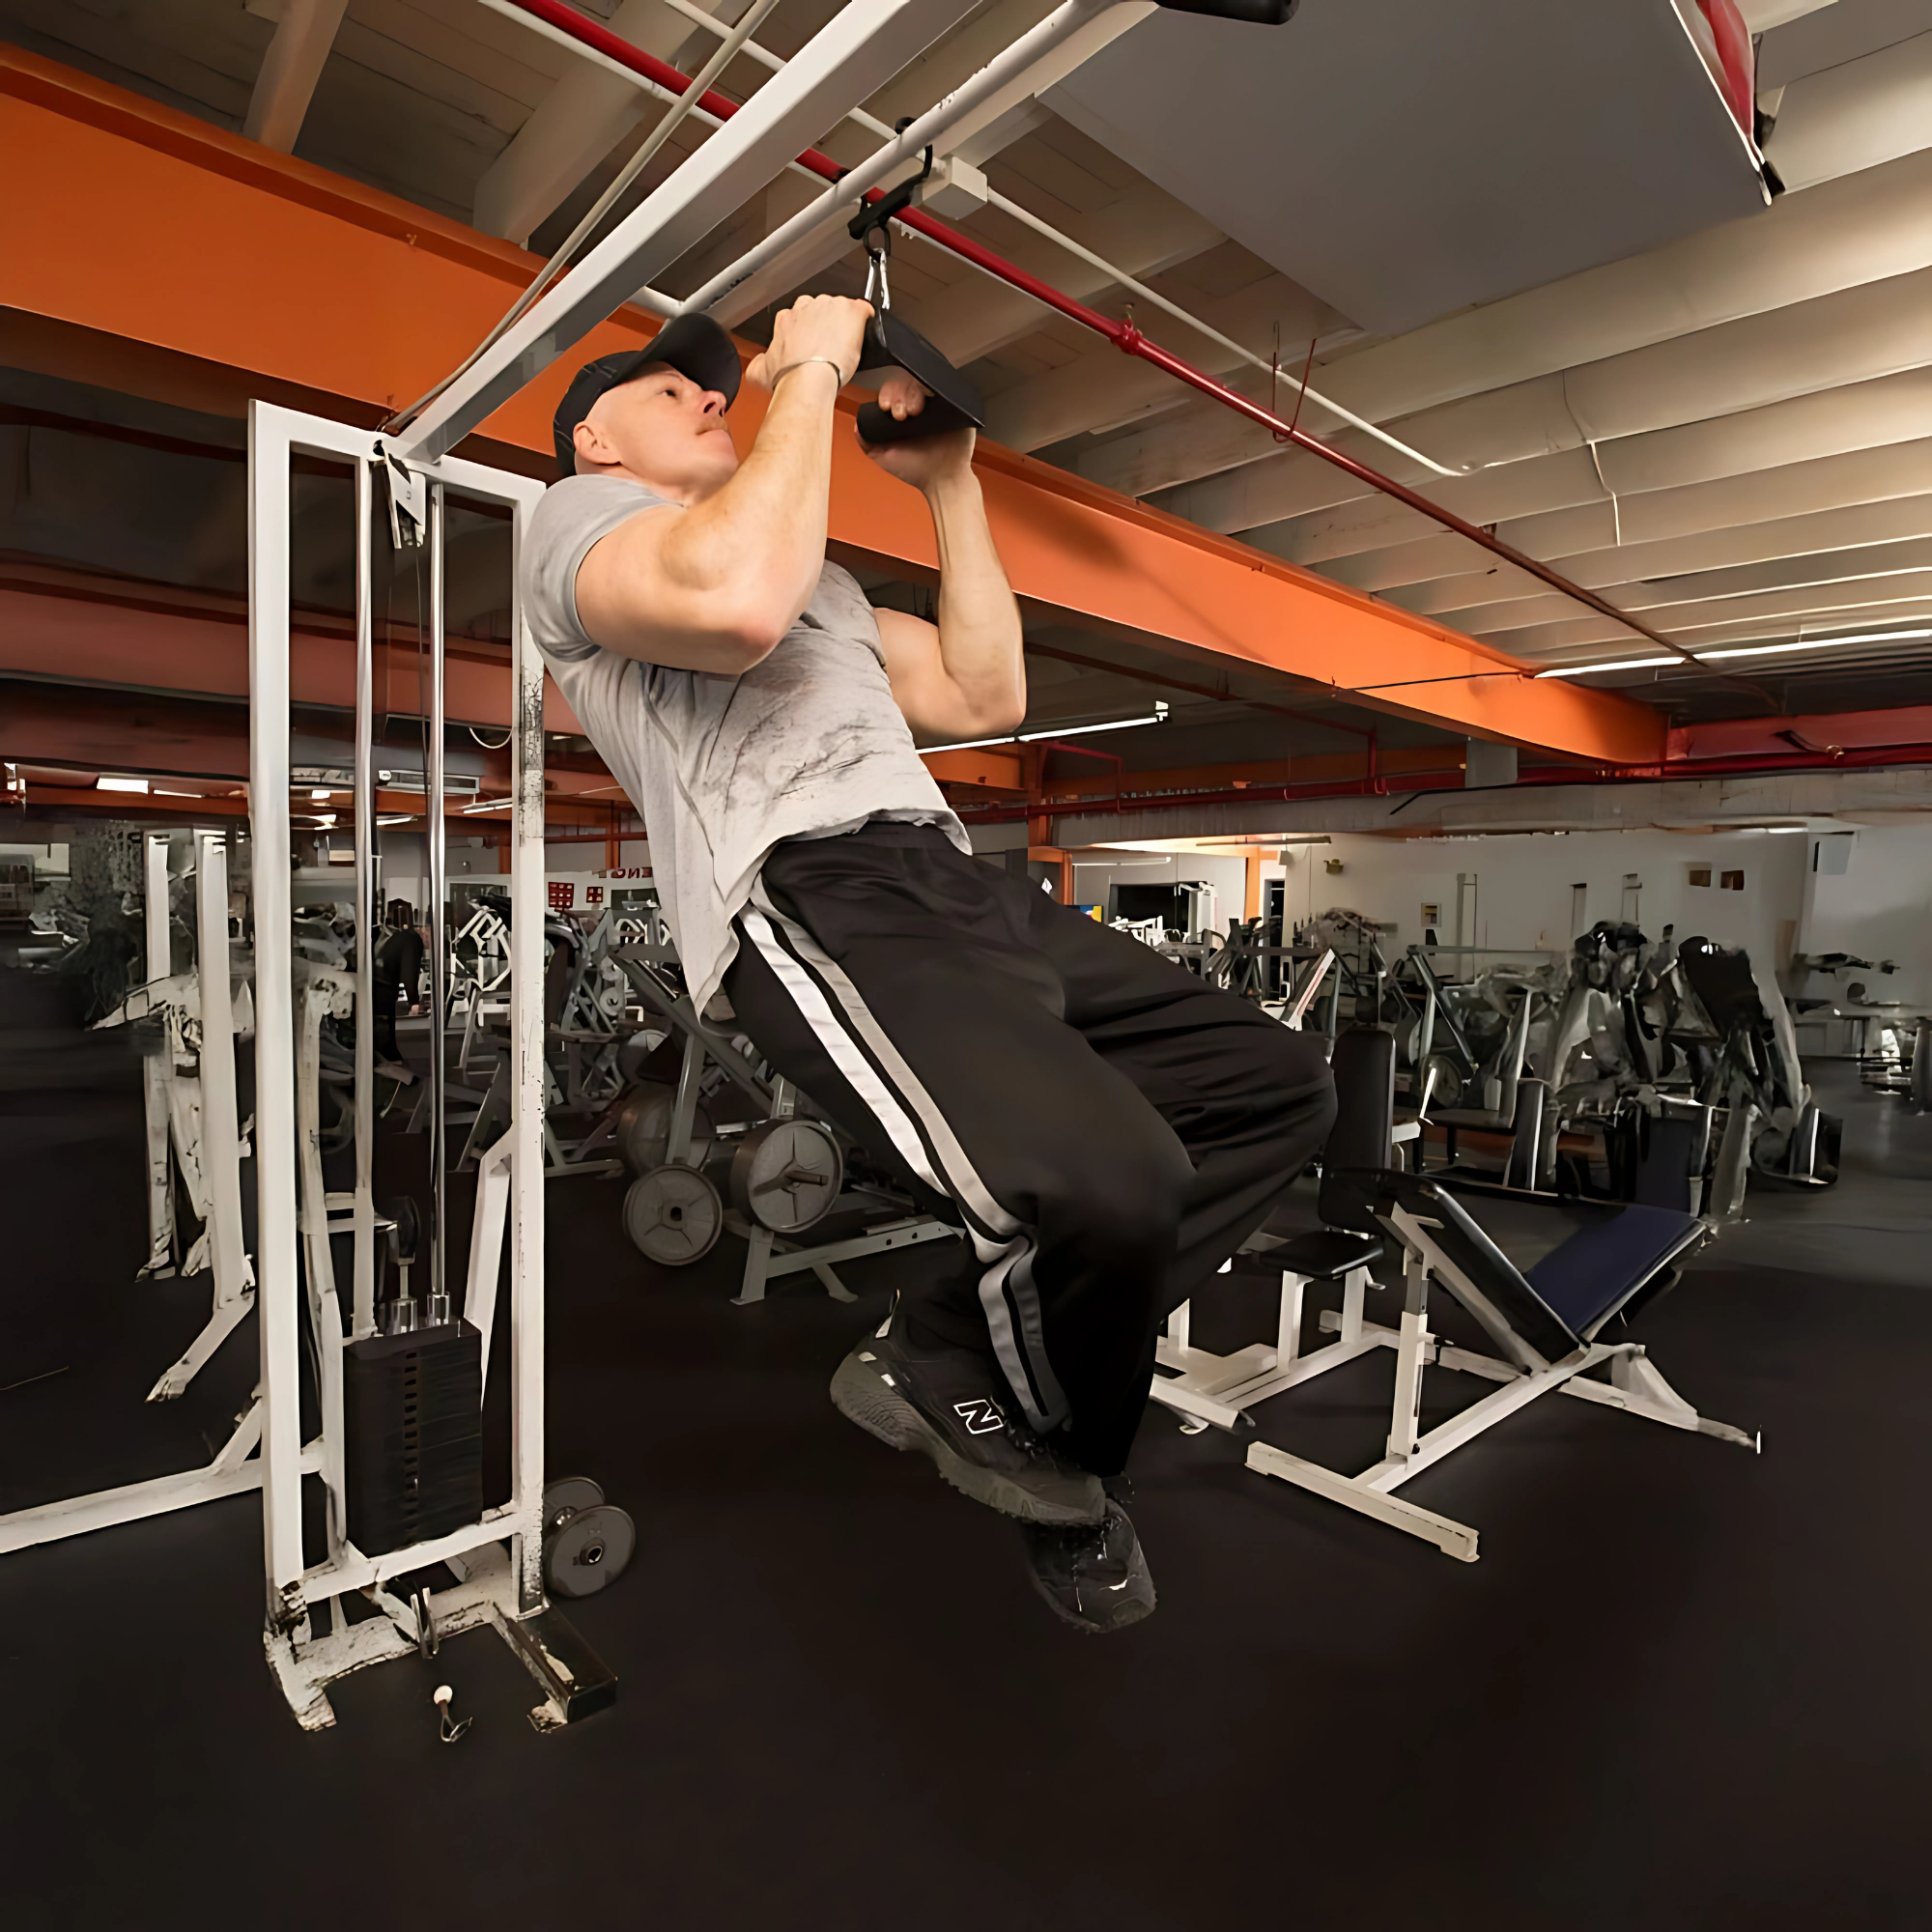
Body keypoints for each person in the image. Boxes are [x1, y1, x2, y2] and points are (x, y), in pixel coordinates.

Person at [523, 299, 1335, 1633]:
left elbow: (981, 695)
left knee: (1276, 1084)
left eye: (720, 391)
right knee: (1105, 1182)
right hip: (814, 891)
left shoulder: (823, 587)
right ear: (594, 439)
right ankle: (1068, 1466)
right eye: (679, 395)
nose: (715, 401)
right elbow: (725, 601)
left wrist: (953, 485)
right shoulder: (576, 529)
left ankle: (949, 1340)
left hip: (953, 880)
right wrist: (816, 369)